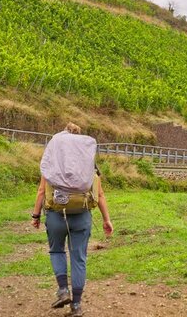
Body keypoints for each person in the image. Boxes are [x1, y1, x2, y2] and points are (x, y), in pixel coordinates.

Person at [31, 122, 113, 317]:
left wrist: (35, 215)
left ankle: (63, 290)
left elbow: (42, 191)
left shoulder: (53, 164)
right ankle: (76, 306)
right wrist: (106, 220)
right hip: (82, 216)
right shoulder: (88, 166)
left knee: (57, 250)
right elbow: (99, 195)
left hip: (56, 216)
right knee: (79, 258)